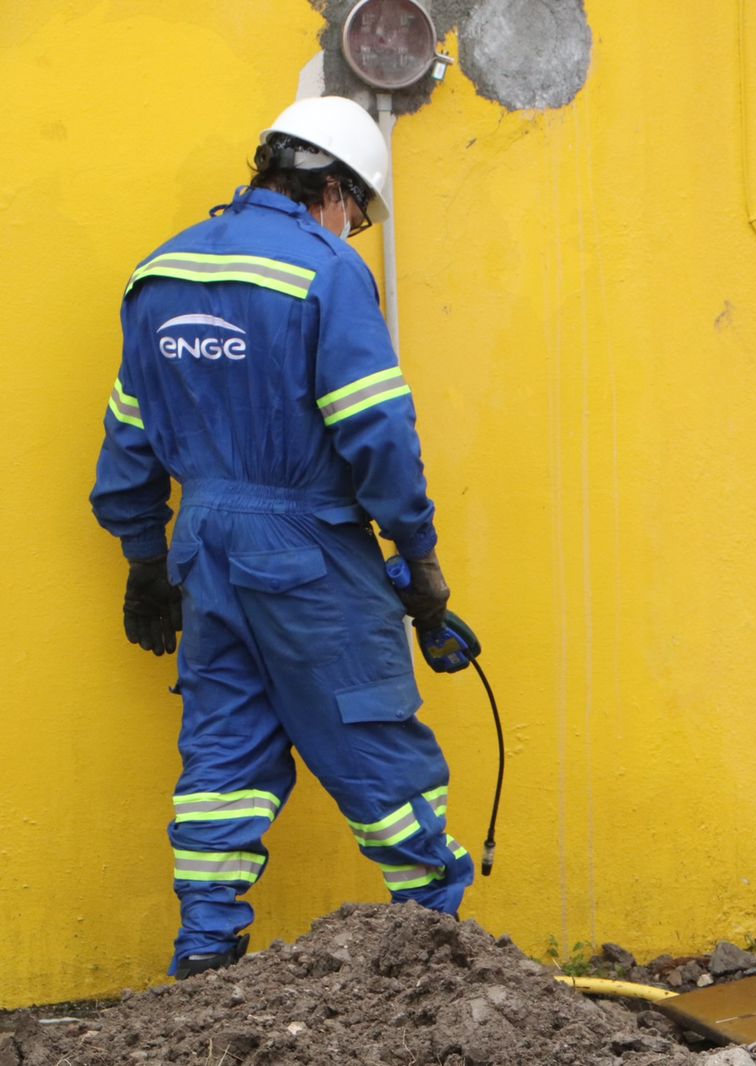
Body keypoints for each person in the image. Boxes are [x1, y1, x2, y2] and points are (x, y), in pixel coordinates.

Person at [90, 96, 473, 979]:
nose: (356, 228)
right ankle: (444, 952)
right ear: (333, 186)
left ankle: (205, 960)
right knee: (375, 735)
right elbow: (376, 429)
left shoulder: (159, 274)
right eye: (358, 210)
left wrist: (146, 560)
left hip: (205, 555)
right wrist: (419, 558)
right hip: (307, 553)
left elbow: (128, 435)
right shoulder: (326, 271)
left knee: (224, 753)